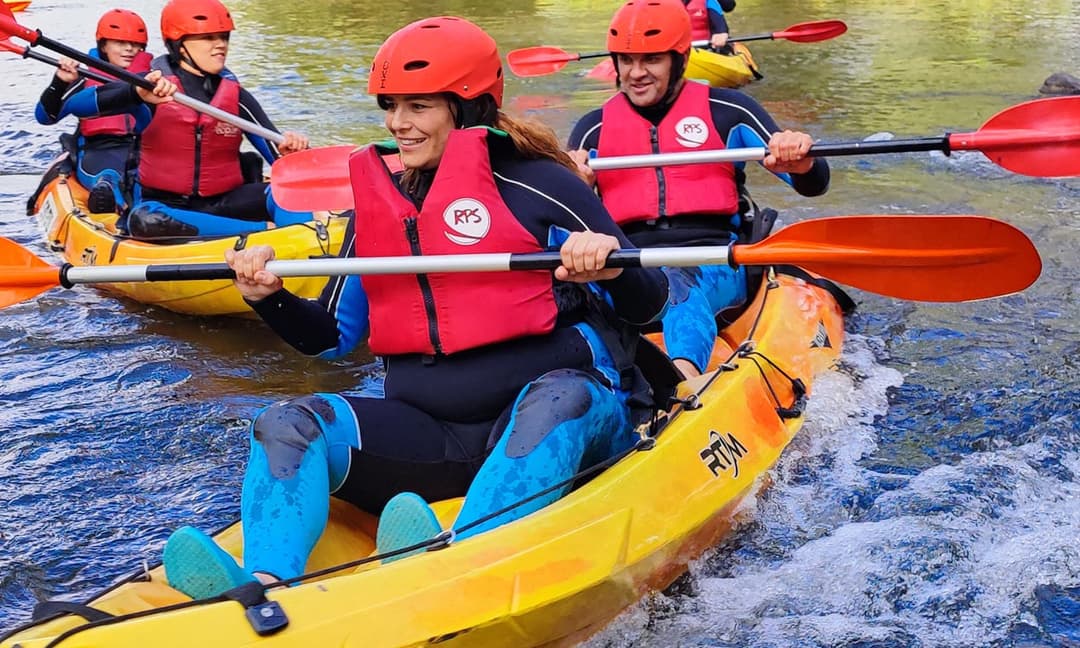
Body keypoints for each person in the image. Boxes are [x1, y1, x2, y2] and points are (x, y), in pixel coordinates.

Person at [159, 16, 670, 600]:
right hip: (434, 435)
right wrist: (267, 297)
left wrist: (608, 264)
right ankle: (266, 585)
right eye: (391, 105)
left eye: (419, 106)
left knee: (561, 396)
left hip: (566, 421)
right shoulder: (379, 205)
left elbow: (650, 306)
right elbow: (326, 338)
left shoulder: (543, 186)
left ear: (468, 106)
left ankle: (456, 562)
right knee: (288, 421)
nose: (398, 123)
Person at [568, 0, 830, 379]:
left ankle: (682, 382)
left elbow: (814, 184)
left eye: (651, 60)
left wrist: (799, 161)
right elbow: (563, 221)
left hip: (716, 259)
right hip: (629, 261)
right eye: (625, 60)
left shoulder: (730, 111)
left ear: (681, 59)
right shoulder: (593, 128)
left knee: (675, 279)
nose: (636, 73)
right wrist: (575, 185)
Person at [65, 0, 313, 239]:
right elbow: (76, 105)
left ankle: (304, 245)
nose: (220, 45)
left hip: (226, 200)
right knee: (144, 219)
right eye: (208, 38)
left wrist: (290, 152)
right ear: (179, 45)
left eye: (223, 37)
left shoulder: (235, 96)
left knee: (287, 193)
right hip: (168, 207)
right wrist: (135, 92)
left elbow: (280, 159)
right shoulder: (150, 87)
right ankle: (266, 233)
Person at [35, 8, 152, 215]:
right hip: (98, 151)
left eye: (135, 45)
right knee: (109, 179)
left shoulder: (152, 79)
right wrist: (59, 82)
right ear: (104, 45)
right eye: (120, 43)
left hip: (142, 150)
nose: (129, 49)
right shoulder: (82, 78)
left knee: (144, 183)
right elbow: (45, 117)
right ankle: (109, 201)